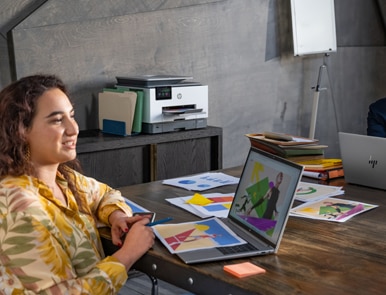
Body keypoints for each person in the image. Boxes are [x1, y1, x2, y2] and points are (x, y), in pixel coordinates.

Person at [0, 74, 155, 294]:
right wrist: (127, 255)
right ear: (22, 130)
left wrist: (116, 216)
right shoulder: (19, 208)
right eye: (56, 120)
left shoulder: (63, 179)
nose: (73, 129)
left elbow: (104, 194)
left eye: (71, 116)